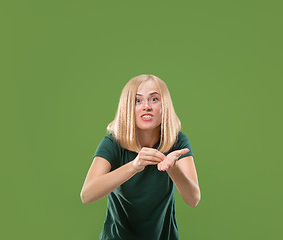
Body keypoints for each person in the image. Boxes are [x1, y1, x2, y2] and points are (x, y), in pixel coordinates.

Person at [80, 74, 200, 240]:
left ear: (164, 105)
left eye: (154, 99)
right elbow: (87, 195)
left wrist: (172, 168)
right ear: (127, 107)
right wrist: (134, 166)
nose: (146, 107)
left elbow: (193, 199)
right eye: (138, 101)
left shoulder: (177, 141)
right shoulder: (112, 143)